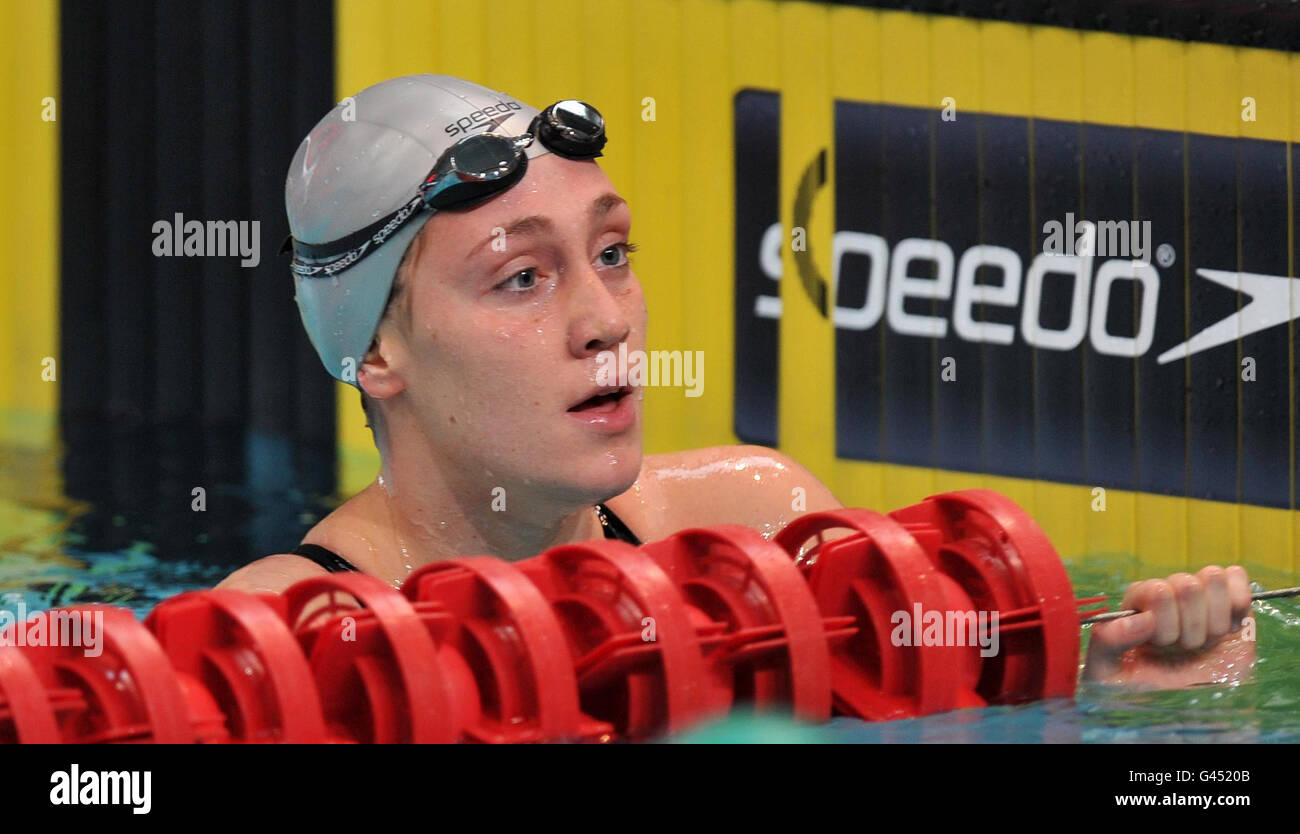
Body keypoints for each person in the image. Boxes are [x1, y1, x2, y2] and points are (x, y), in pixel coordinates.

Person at [219, 74, 1256, 690]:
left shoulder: (756, 530)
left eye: (612, 253)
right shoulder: (288, 643)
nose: (604, 321)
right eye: (522, 277)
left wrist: (1141, 711)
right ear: (376, 353)